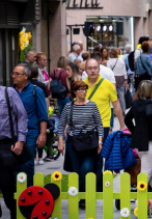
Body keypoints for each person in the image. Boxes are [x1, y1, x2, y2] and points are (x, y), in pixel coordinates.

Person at [57, 81, 103, 209]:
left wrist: (100, 142)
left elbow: (99, 124)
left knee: (86, 169)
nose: (83, 91)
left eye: (85, 89)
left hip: (90, 142)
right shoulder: (68, 107)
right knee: (77, 172)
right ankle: (83, 197)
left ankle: (83, 197)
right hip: (73, 143)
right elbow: (61, 125)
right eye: (81, 89)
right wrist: (60, 142)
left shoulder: (92, 105)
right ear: (75, 92)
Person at [83, 58, 125, 191]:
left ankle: (99, 184)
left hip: (104, 126)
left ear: (99, 69)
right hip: (86, 127)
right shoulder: (80, 86)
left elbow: (116, 106)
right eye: (90, 68)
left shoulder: (107, 85)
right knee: (91, 158)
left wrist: (122, 125)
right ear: (85, 70)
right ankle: (94, 185)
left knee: (101, 155)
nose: (93, 70)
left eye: (95, 67)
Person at [12, 63, 48, 187]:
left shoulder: (36, 91)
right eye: (13, 74)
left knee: (26, 163)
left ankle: (29, 191)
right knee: (13, 163)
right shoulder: (9, 92)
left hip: (30, 133)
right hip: (12, 133)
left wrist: (42, 134)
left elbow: (43, 114)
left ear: (26, 75)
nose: (13, 76)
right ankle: (16, 193)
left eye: (17, 74)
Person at [125, 80, 152, 190]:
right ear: (149, 91)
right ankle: (140, 198)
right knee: (147, 171)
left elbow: (127, 119)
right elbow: (149, 115)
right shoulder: (149, 103)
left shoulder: (136, 103)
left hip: (138, 141)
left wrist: (135, 131)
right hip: (148, 140)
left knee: (150, 168)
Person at [0, 85, 27, 219]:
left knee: (7, 184)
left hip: (6, 145)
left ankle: (14, 212)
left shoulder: (8, 92)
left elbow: (22, 116)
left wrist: (20, 141)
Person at [107, 48, 128, 113]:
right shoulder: (121, 60)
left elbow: (108, 72)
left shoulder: (109, 61)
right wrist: (125, 80)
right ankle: (123, 110)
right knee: (121, 95)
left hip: (113, 79)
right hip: (121, 78)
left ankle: (114, 111)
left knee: (113, 95)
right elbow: (124, 71)